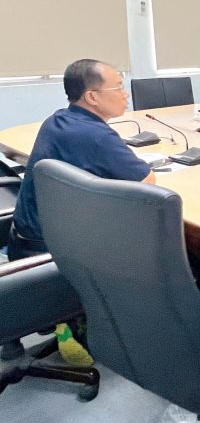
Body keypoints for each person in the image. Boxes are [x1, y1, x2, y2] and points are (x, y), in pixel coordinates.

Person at [7, 59, 155, 366]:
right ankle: (88, 318)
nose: (126, 93)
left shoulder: (58, 120)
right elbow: (147, 183)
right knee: (155, 237)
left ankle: (72, 317)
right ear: (92, 96)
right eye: (118, 86)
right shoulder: (96, 136)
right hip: (53, 253)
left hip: (26, 237)